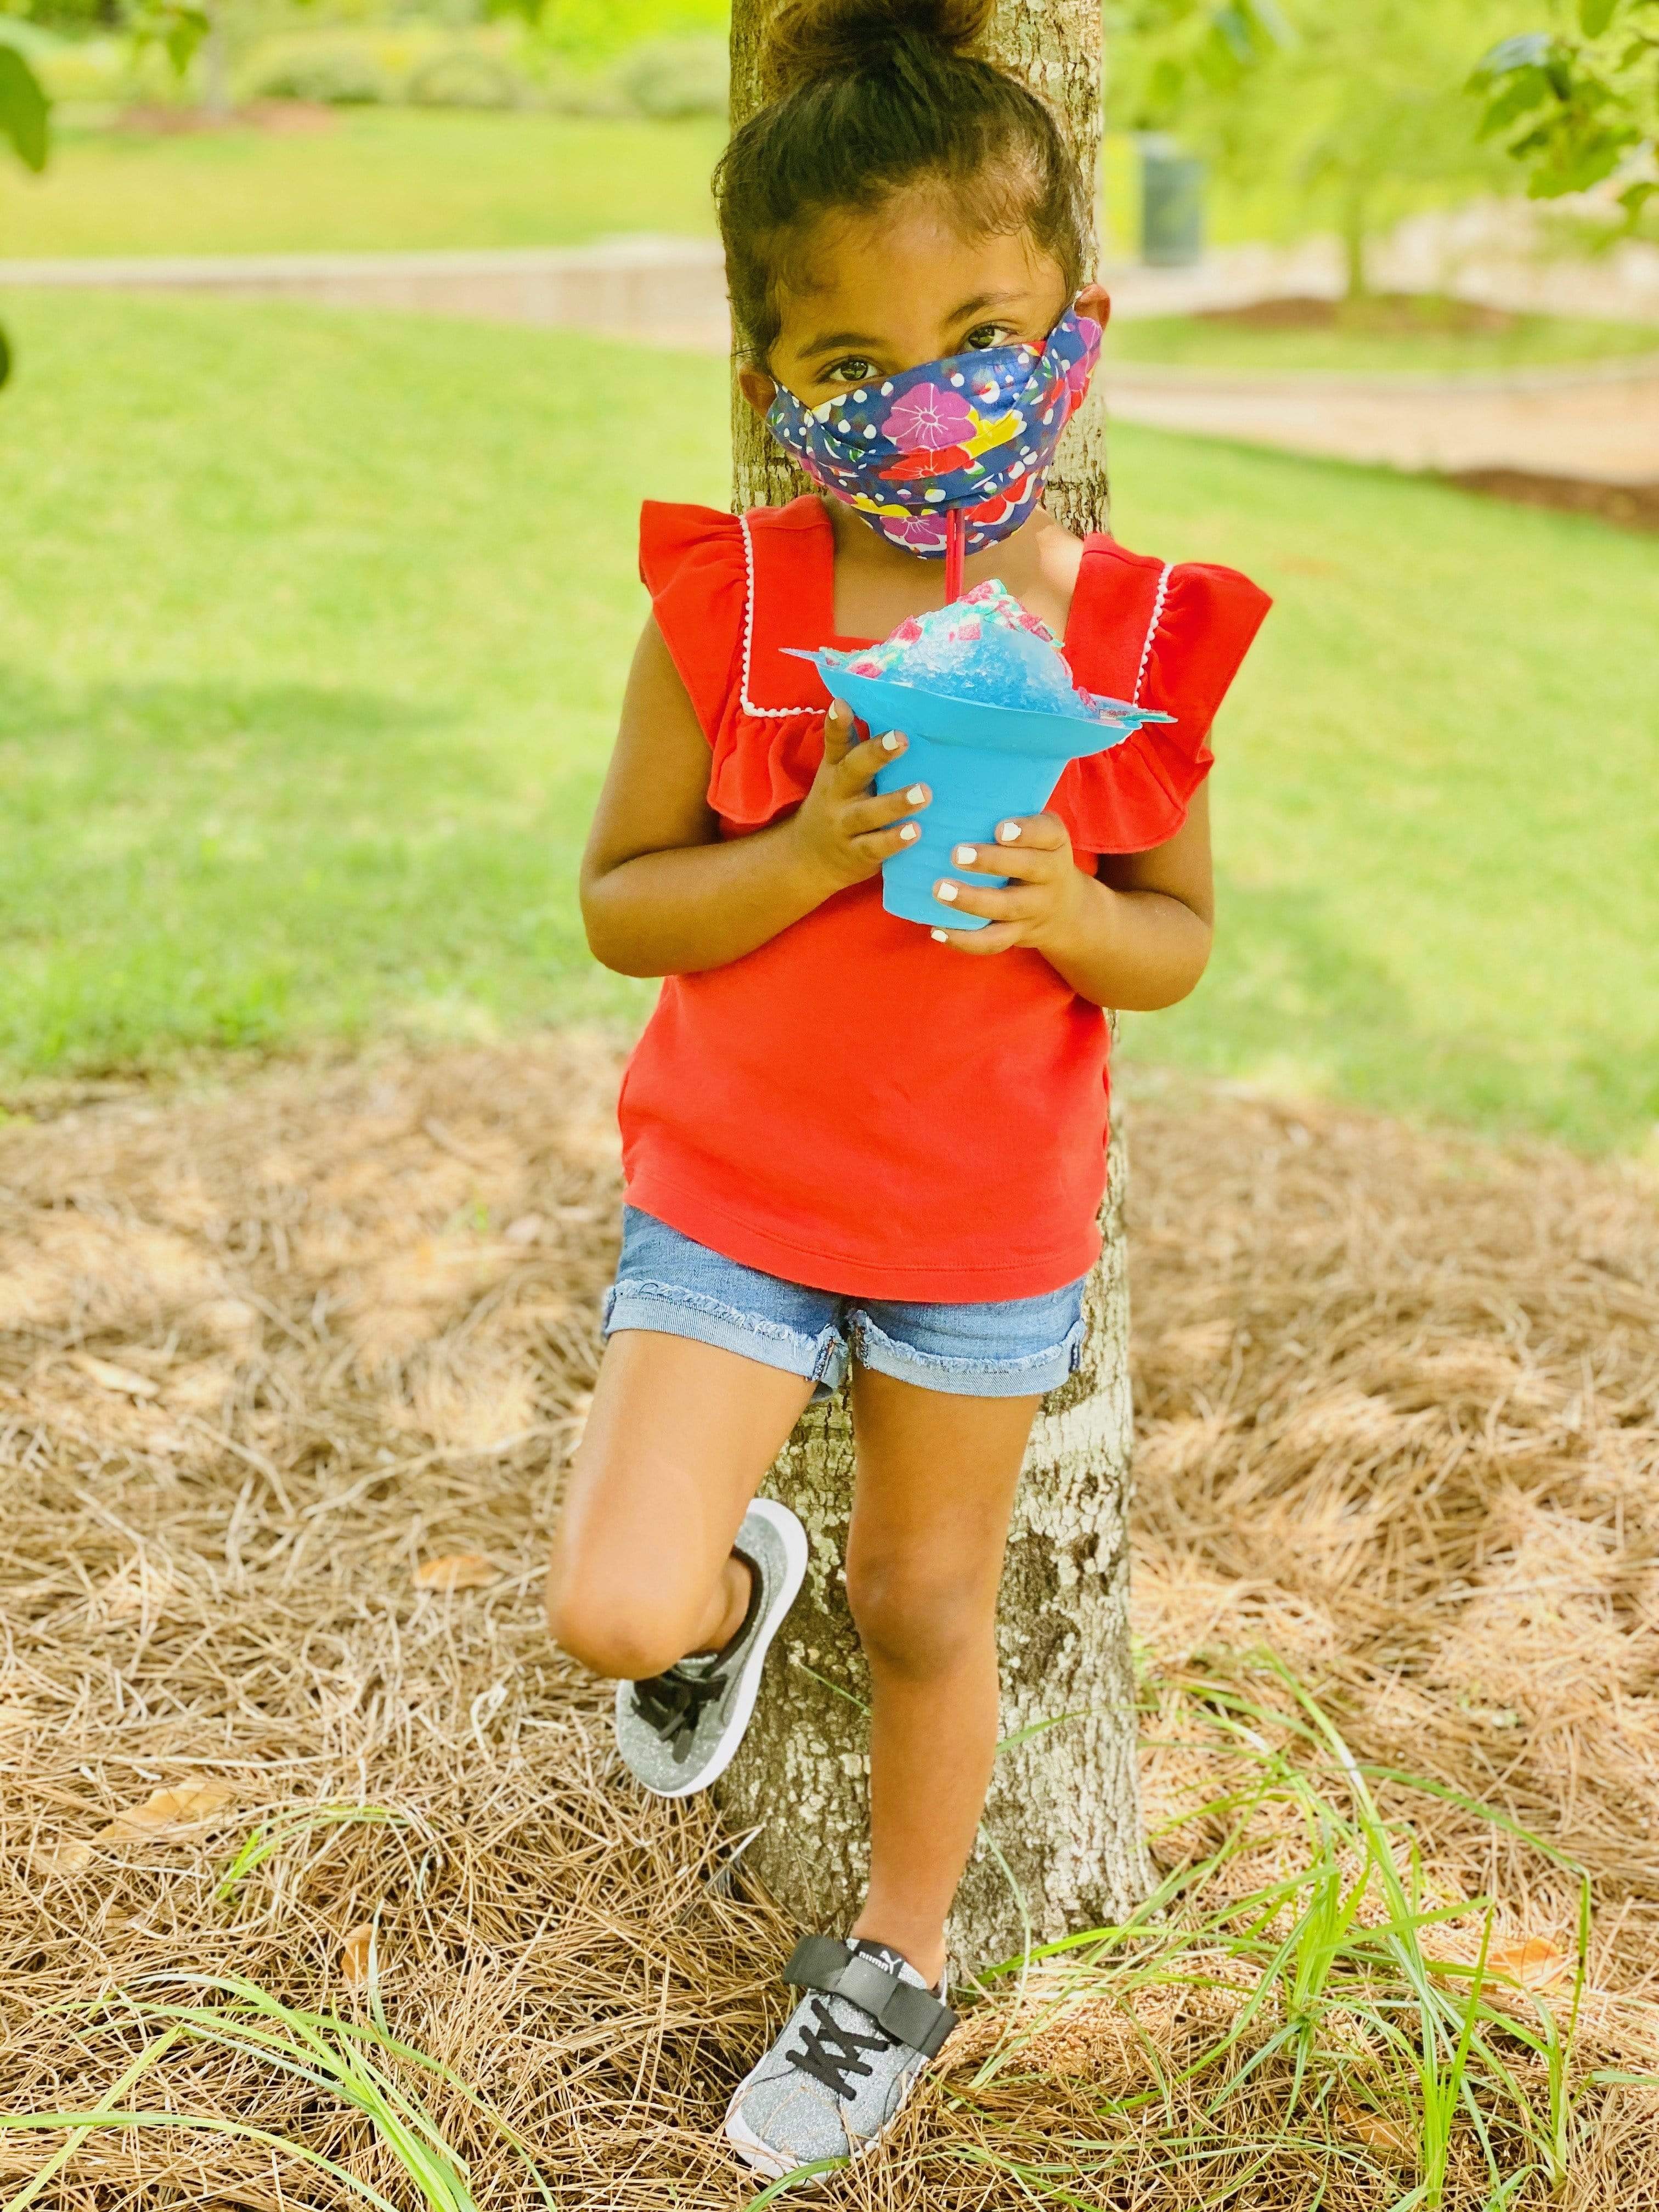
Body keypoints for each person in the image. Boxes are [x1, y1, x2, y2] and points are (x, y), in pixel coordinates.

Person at [546, 0, 1269, 2178]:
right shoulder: (737, 611)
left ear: (1077, 329)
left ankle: (897, 1960)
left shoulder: (1125, 639)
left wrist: (1064, 899)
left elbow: (1177, 945)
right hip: (736, 1206)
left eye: (982, 331)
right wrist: (800, 856)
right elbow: (618, 904)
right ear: (777, 384)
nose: (931, 396)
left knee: (927, 1606)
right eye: (859, 366)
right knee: (616, 1612)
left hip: (981, 1238)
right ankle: (719, 1585)